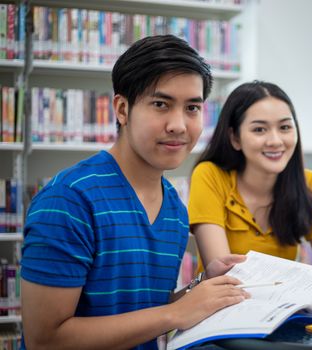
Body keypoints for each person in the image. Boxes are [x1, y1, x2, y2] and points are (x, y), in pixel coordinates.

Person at [20, 35, 249, 350]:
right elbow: (44, 340)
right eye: (160, 104)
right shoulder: (69, 200)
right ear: (122, 109)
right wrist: (174, 313)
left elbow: (140, 309)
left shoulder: (175, 209)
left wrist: (199, 290)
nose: (179, 125)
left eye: (192, 108)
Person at [188, 81, 312, 272]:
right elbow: (221, 270)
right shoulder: (210, 175)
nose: (275, 141)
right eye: (259, 129)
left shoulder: (307, 182)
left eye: (284, 128)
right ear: (235, 138)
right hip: (227, 299)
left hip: (286, 301)